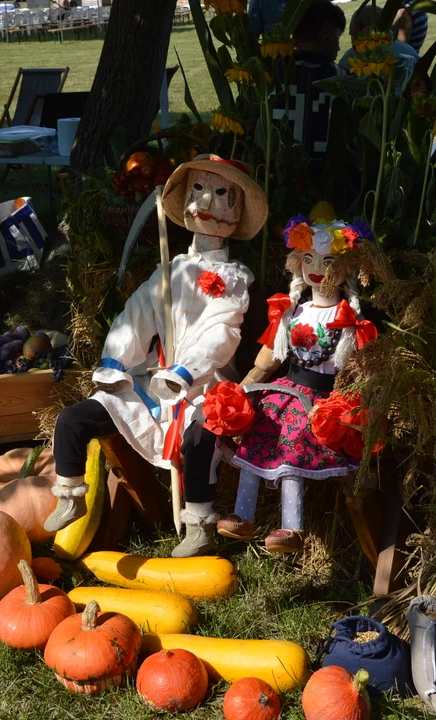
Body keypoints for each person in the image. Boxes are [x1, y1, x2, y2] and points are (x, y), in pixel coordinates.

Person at [45, 155, 268, 558]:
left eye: (220, 194)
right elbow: (136, 315)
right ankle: (70, 491)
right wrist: (115, 361)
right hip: (155, 380)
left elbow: (223, 332)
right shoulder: (169, 271)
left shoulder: (233, 280)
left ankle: (199, 523)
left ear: (235, 211)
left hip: (204, 385)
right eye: (198, 190)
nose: (204, 202)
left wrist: (186, 371)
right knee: (75, 417)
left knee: (200, 436)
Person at [207, 207, 380, 553]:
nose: (317, 271)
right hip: (285, 389)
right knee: (260, 424)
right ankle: (244, 515)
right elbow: (271, 355)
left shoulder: (351, 319)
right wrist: (244, 387)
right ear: (297, 261)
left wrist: (362, 404)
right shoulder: (291, 310)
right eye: (309, 260)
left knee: (294, 438)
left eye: (328, 262)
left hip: (323, 398)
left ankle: (292, 527)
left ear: (347, 268)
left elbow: (362, 369)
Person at [271, 0, 345, 184]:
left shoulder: (268, 74)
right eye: (337, 38)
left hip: (275, 178)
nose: (338, 47)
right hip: (328, 184)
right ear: (325, 35)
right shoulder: (343, 80)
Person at [338, 5, 419, 92]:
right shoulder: (410, 52)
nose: (353, 42)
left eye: (353, 35)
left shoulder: (349, 59)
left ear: (360, 28)